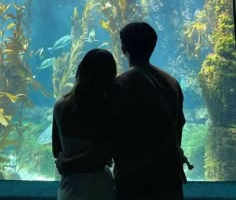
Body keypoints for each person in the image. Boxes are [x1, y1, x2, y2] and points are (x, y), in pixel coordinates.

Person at [56, 22, 186, 200]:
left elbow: (109, 142)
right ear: (153, 46)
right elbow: (178, 127)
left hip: (136, 182)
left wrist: (69, 164)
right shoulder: (171, 82)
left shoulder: (120, 86)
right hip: (171, 177)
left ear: (124, 48)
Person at [52, 48, 117, 200]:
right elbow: (106, 151)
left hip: (70, 187)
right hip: (100, 187)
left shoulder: (60, 105)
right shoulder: (108, 108)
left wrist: (67, 164)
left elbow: (56, 150)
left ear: (81, 70)